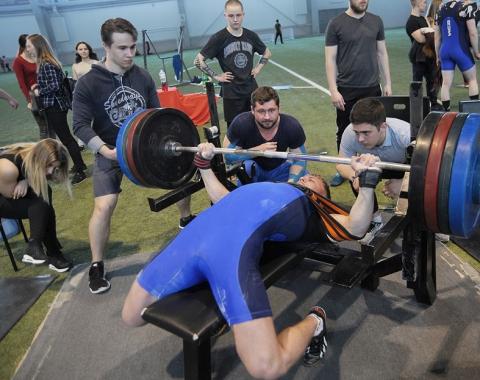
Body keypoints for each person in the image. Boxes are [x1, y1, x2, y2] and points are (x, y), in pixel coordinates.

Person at [123, 142, 382, 376]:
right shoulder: (267, 187)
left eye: (314, 179)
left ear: (323, 196)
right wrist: (203, 166)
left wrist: (367, 183)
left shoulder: (315, 209)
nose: (307, 177)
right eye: (307, 175)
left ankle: (315, 321)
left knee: (267, 366)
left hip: (231, 253)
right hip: (198, 234)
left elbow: (355, 228)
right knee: (131, 316)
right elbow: (221, 198)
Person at [73, 18, 193, 294]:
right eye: (122, 48)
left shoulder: (142, 76)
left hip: (145, 149)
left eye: (132, 47)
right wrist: (106, 151)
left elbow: (156, 114)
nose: (129, 54)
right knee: (105, 205)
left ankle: (185, 217)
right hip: (110, 151)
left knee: (181, 171)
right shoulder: (88, 83)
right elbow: (79, 125)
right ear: (105, 46)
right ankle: (96, 265)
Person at [325, 0, 392, 187]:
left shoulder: (376, 21)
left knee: (376, 131)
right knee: (344, 130)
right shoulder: (336, 24)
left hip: (372, 88)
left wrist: (387, 82)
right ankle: (343, 167)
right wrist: (333, 90)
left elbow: (382, 53)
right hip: (346, 89)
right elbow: (330, 59)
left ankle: (375, 166)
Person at [336, 98, 410, 243]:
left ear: (383, 127)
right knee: (358, 175)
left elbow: (430, 168)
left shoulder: (404, 134)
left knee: (415, 187)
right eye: (357, 133)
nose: (360, 139)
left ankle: (427, 223)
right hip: (372, 165)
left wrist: (404, 182)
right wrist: (354, 176)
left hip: (403, 165)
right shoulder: (350, 133)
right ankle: (375, 221)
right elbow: (341, 164)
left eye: (366, 133)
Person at [194, 0, 272, 128]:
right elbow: (198, 60)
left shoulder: (251, 36)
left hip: (252, 91)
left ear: (243, 15)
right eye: (231, 16)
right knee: (236, 130)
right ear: (225, 15)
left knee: (257, 126)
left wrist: (258, 68)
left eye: (238, 15)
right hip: (231, 94)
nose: (235, 19)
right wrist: (216, 76)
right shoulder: (218, 38)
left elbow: (267, 53)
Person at [0, 139, 73, 272]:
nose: (51, 171)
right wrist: (26, 180)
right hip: (5, 195)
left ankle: (39, 247)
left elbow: (35, 178)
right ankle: (45, 250)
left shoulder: (35, 152)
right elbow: (11, 195)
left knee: (43, 195)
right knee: (41, 203)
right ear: (40, 157)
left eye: (54, 167)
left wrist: (27, 180)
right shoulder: (8, 169)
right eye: (49, 165)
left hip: (11, 188)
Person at [26, 34, 87, 186]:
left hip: (55, 105)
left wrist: (40, 91)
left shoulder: (46, 63)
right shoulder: (45, 62)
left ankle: (80, 169)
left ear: (37, 45)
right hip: (54, 105)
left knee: (66, 138)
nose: (27, 49)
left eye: (29, 46)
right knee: (65, 138)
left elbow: (54, 85)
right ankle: (77, 165)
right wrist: (38, 87)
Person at [223, 86, 307, 184]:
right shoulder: (241, 123)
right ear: (252, 110)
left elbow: (300, 159)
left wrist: (291, 183)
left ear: (279, 109)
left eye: (271, 110)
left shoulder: (291, 126)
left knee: (304, 177)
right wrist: (257, 151)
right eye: (261, 111)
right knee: (247, 167)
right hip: (254, 171)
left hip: (279, 170)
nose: (267, 117)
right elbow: (228, 157)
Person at [434, 0, 480, 111]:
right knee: (472, 80)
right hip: (460, 50)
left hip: (444, 51)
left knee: (445, 84)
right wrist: (476, 51)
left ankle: (446, 113)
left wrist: (437, 56)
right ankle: (475, 112)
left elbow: (437, 37)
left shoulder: (440, 9)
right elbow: (473, 32)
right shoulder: (467, 7)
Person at [12, 34, 49, 139]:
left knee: (52, 125)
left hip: (46, 93)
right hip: (34, 97)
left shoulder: (37, 56)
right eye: (29, 45)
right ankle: (44, 151)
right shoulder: (18, 62)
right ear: (24, 46)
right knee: (44, 128)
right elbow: (22, 84)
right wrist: (29, 100)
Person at [406, 0, 442, 111]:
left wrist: (427, 30)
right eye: (424, 2)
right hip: (418, 58)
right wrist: (429, 31)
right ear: (417, 3)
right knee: (417, 82)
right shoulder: (411, 21)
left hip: (429, 55)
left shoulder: (423, 18)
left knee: (432, 80)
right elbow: (421, 39)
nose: (425, 5)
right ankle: (416, 105)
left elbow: (431, 36)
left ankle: (434, 103)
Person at [71, 41, 99, 150]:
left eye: (85, 49)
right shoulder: (75, 66)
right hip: (82, 96)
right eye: (81, 49)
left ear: (89, 50)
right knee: (82, 118)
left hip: (96, 95)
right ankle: (81, 141)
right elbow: (75, 83)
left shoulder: (97, 63)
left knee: (96, 118)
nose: (83, 51)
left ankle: (97, 140)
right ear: (77, 52)